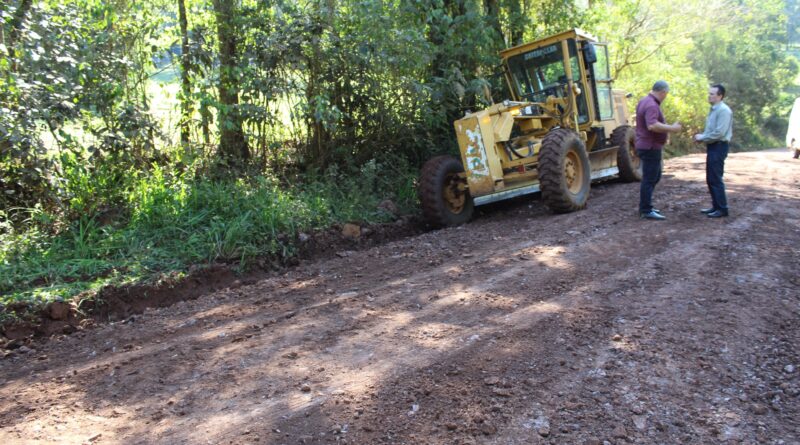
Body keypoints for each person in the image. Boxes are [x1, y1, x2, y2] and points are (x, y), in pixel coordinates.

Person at [635, 80, 683, 220]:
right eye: (666, 94)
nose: (666, 96)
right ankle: (645, 210)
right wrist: (672, 129)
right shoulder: (651, 105)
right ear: (662, 92)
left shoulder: (644, 101)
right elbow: (652, 125)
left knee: (654, 176)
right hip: (650, 146)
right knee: (650, 178)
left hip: (647, 145)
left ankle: (646, 206)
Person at [694, 84, 733, 218]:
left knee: (715, 178)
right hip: (713, 146)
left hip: (719, 146)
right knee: (711, 178)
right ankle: (716, 206)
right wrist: (704, 137)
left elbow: (719, 133)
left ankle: (722, 208)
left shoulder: (723, 111)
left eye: (712, 94)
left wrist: (702, 137)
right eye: (709, 93)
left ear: (720, 96)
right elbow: (712, 130)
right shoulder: (714, 109)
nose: (709, 96)